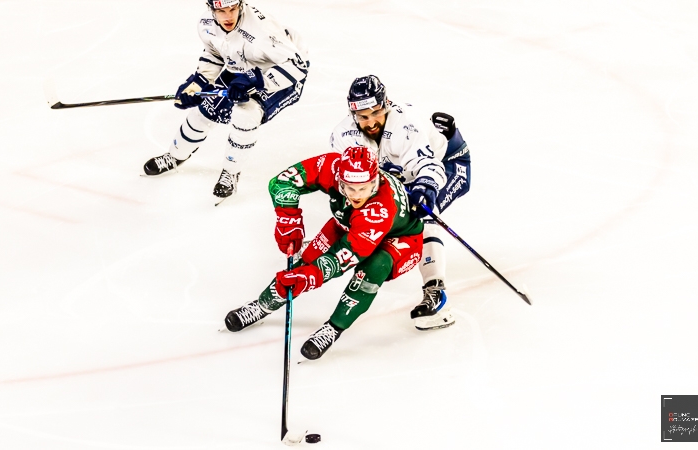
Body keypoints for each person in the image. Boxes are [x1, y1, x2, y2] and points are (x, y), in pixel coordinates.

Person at [224, 146, 424, 360]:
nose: (356, 195)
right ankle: (262, 305)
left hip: (399, 239)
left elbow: (345, 257)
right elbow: (282, 181)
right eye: (349, 187)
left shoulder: (379, 210)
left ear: (375, 181)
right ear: (340, 178)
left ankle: (333, 328)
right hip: (348, 224)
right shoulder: (331, 166)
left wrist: (312, 277)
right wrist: (287, 216)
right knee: (305, 262)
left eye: (363, 188)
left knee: (371, 270)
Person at [328, 75, 472, 330]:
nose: (370, 122)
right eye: (363, 117)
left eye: (375, 113)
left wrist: (425, 186)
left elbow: (427, 166)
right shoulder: (343, 135)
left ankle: (436, 294)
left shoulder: (406, 124)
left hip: (447, 166)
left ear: (386, 104)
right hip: (399, 180)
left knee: (424, 214)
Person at [143, 0, 309, 201]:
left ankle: (231, 172)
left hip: (279, 74)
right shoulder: (206, 23)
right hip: (242, 67)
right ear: (211, 8)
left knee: (246, 113)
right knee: (204, 111)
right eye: (221, 11)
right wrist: (199, 82)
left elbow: (298, 66)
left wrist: (255, 82)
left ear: (241, 4)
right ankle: (175, 156)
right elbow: (215, 53)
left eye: (232, 9)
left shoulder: (262, 29)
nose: (228, 17)